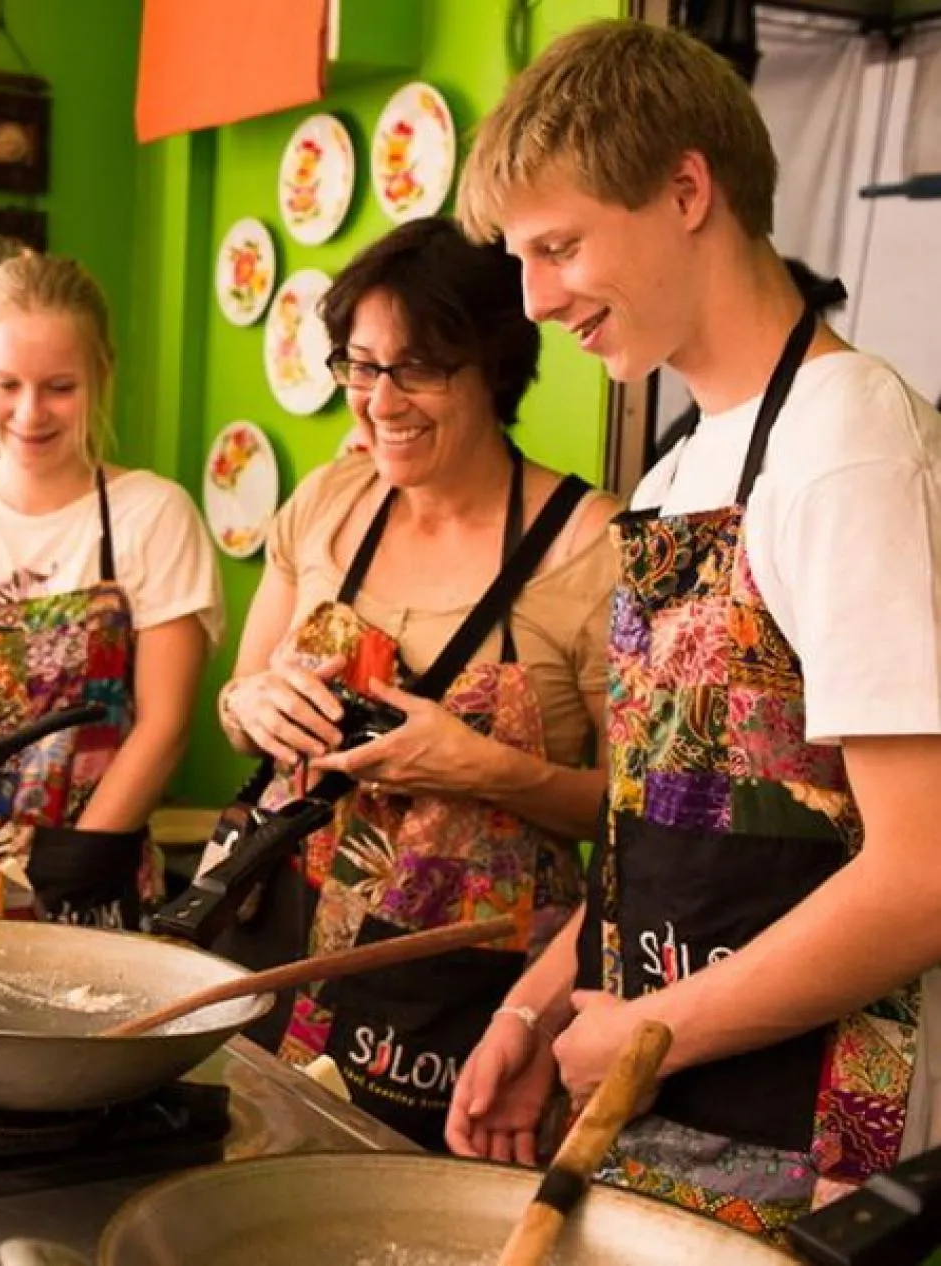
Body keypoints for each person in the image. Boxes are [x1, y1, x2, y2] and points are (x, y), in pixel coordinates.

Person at [445, 20, 941, 1241]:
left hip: (815, 1139)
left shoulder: (847, 448)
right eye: (521, 257)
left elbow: (922, 875)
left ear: (684, 190)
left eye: (559, 247)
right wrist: (536, 1011)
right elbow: (656, 836)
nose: (535, 300)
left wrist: (646, 1032)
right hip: (665, 1102)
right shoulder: (678, 471)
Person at [216, 217, 620, 1148]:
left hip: (466, 1000)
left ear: (495, 366)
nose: (380, 402)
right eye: (361, 367)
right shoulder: (329, 503)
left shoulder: (591, 545)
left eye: (420, 369)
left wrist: (487, 771)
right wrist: (252, 702)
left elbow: (639, 826)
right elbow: (235, 703)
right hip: (274, 947)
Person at [0, 253, 222, 927]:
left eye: (60, 387)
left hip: (97, 874)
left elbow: (165, 725)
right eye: (7, 385)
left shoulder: (154, 515)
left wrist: (74, 864)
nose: (30, 412)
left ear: (102, 374)